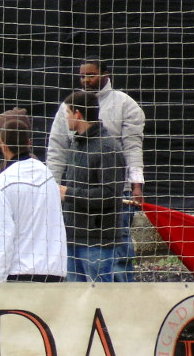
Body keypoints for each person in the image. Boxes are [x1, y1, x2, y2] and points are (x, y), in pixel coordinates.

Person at [46, 60, 146, 281]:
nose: (85, 80)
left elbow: (132, 147)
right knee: (77, 276)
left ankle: (122, 294)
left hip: (114, 200)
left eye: (90, 75)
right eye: (82, 76)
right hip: (76, 216)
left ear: (105, 74)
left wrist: (136, 184)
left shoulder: (124, 106)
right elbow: (56, 150)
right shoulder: (71, 121)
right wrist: (51, 189)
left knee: (116, 260)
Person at [0, 108, 66, 283]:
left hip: (19, 273)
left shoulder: (3, 182)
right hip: (54, 271)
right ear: (29, 142)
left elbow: (2, 233)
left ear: (4, 145)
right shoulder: (47, 176)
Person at [58, 90, 127, 283]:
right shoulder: (76, 144)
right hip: (73, 236)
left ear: (78, 114)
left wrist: (68, 194)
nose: (66, 118)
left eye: (67, 113)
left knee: (99, 296)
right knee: (76, 296)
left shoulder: (108, 149)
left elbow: (110, 194)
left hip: (97, 241)